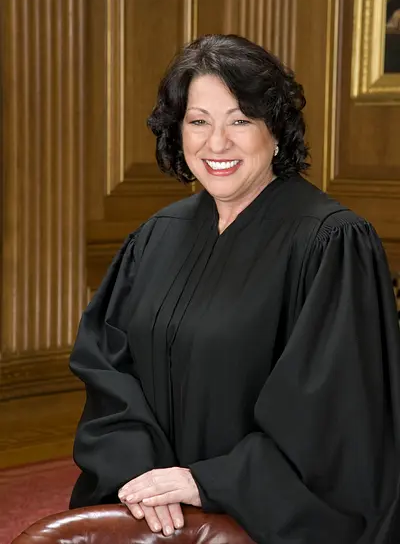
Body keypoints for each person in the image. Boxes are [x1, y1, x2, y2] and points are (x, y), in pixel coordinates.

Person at [69, 34, 400, 543]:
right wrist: (142, 474)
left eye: (240, 120)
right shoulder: (157, 236)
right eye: (198, 121)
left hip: (263, 522)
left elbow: (335, 414)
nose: (216, 143)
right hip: (151, 506)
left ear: (276, 129)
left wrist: (208, 483)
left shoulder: (331, 243)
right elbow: (108, 367)